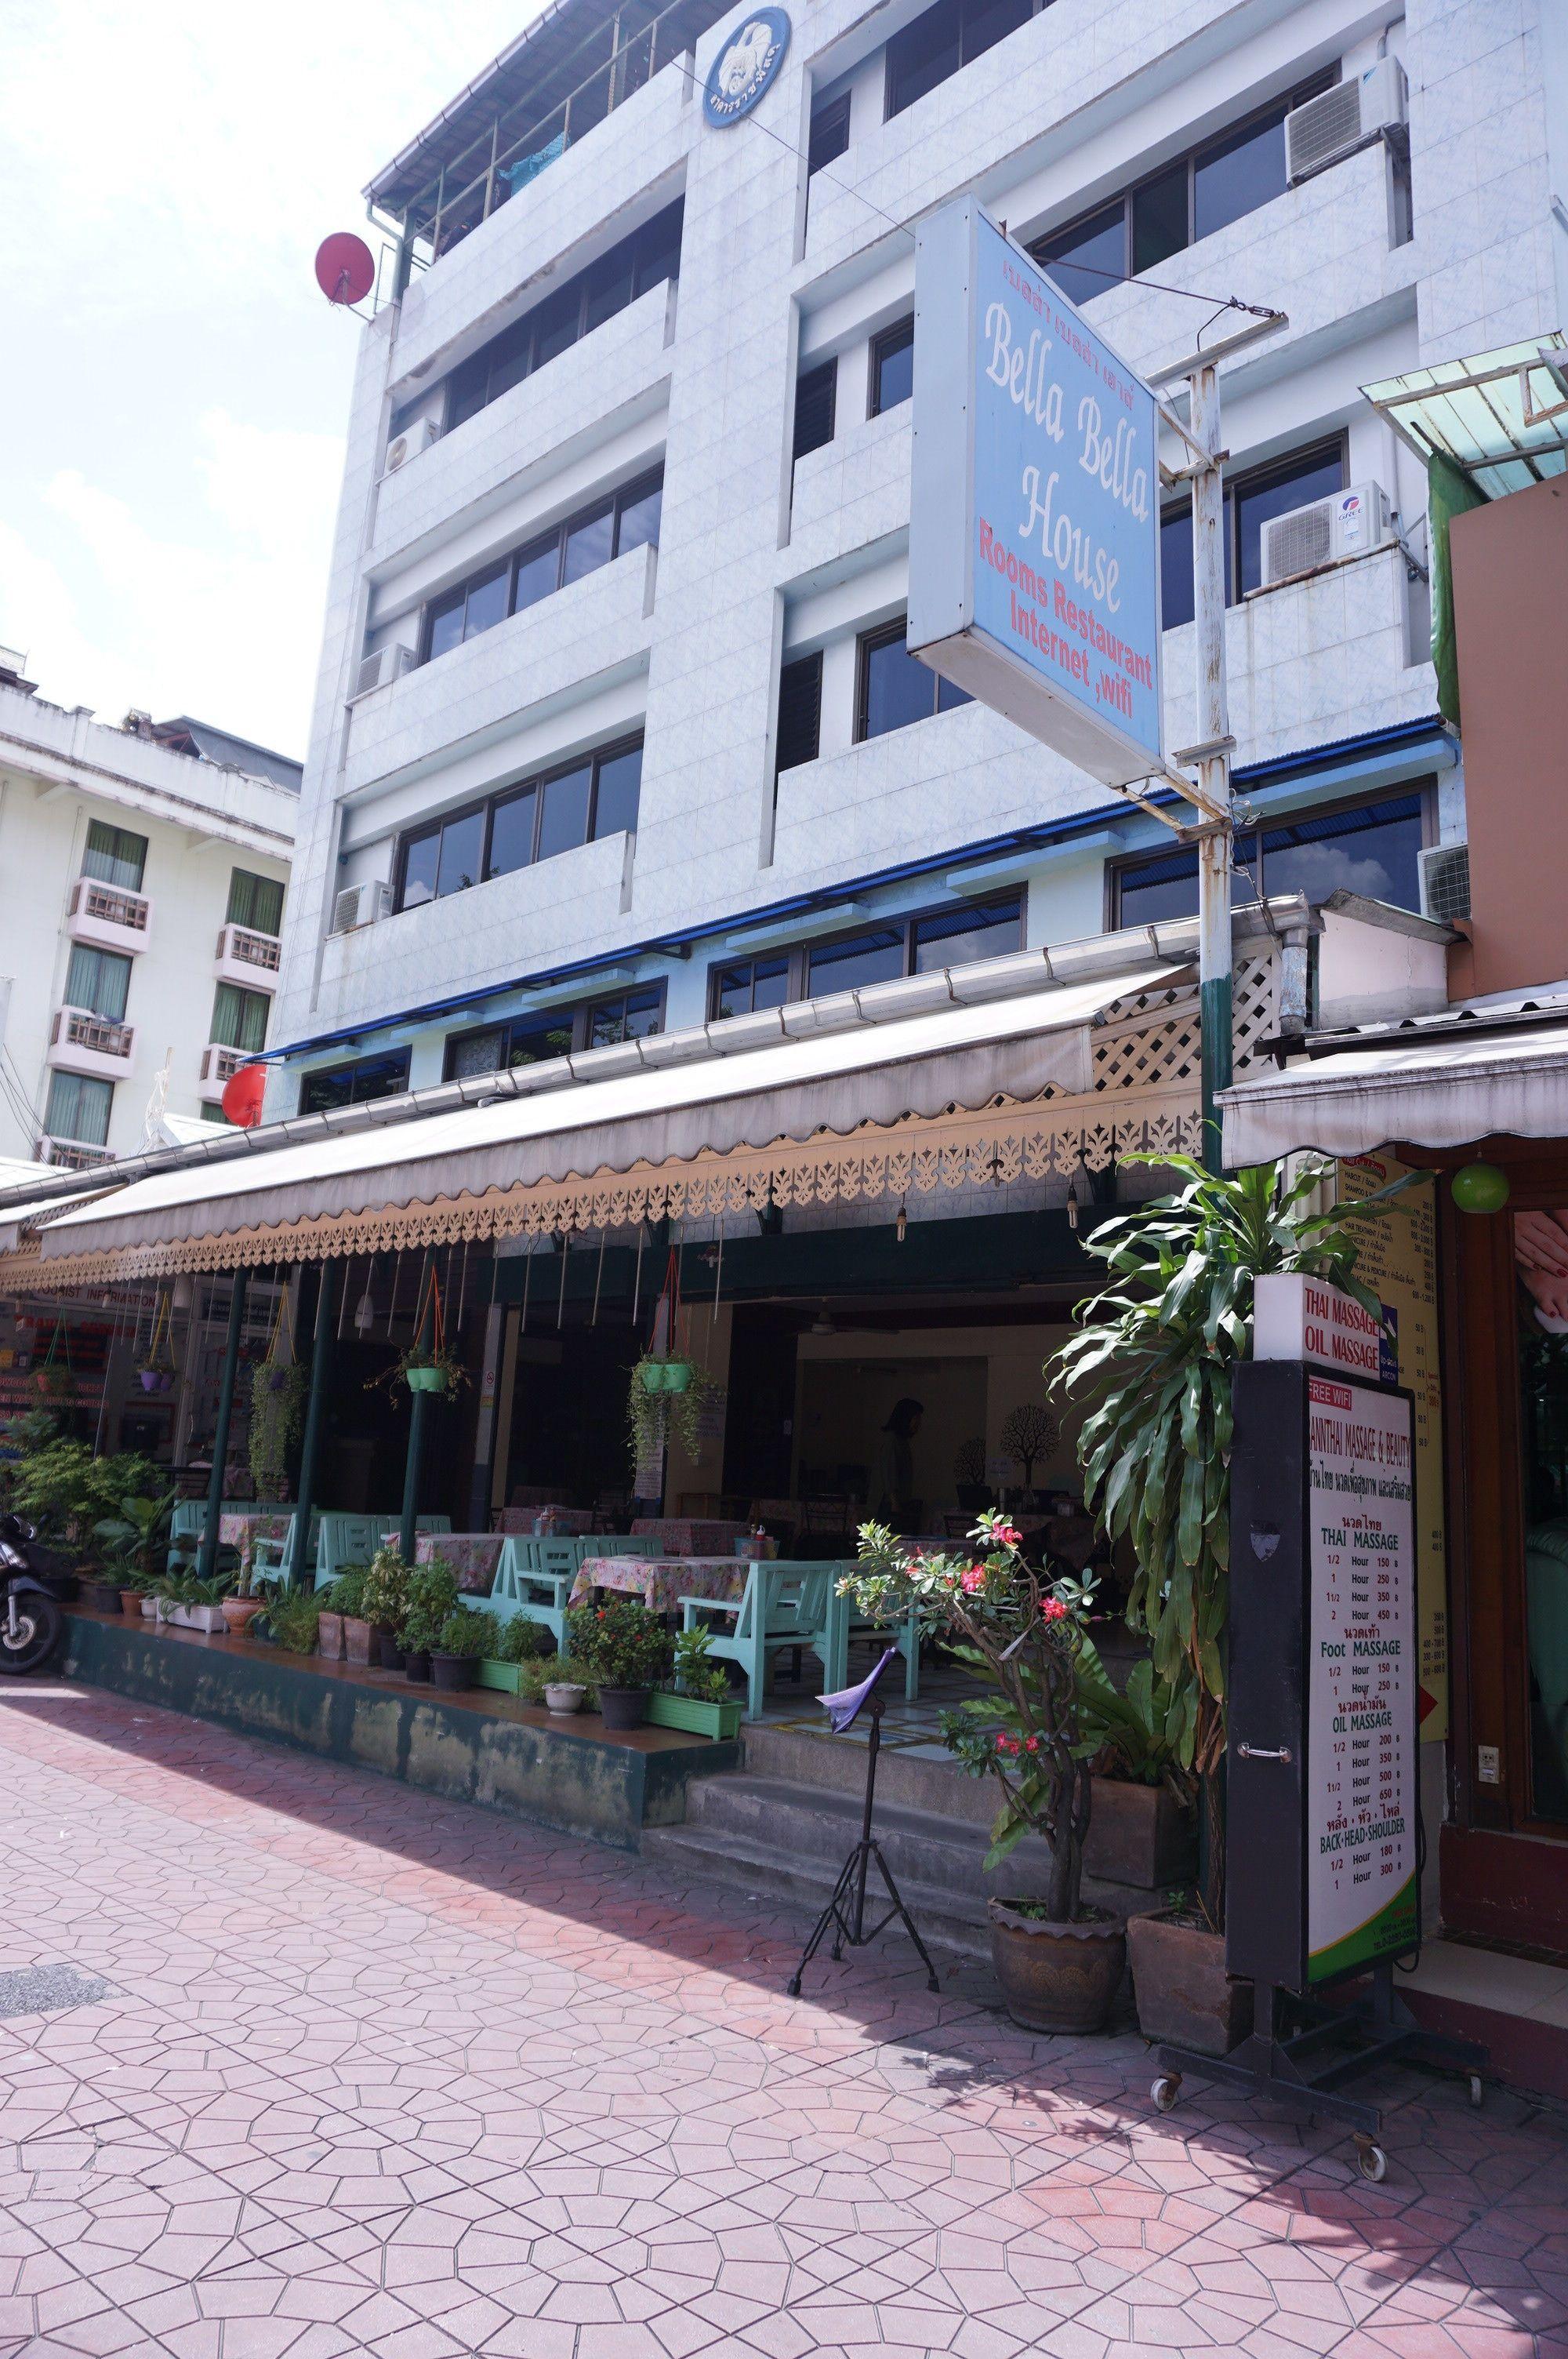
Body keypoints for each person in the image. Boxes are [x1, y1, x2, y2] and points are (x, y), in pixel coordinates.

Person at [874, 1398, 924, 1532]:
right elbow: (889, 1473)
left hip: (895, 1503)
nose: (918, 1423)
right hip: (889, 1506)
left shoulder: (901, 1442)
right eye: (916, 1418)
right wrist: (895, 1502)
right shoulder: (892, 1441)